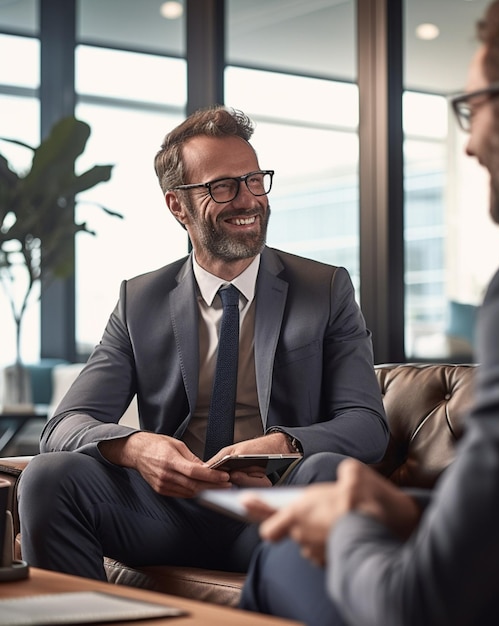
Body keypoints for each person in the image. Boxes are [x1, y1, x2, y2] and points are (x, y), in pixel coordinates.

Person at [238, 0, 499, 624]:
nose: (470, 144)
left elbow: (422, 604)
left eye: (471, 110)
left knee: (282, 558)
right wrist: (411, 511)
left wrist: (341, 528)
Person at [16, 106, 389, 580]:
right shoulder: (140, 299)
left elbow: (367, 426)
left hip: (274, 508)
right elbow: (64, 427)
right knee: (50, 478)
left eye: (255, 180)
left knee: (331, 473)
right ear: (177, 206)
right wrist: (136, 448)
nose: (248, 199)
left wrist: (285, 444)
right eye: (222, 187)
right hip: (168, 513)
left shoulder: (325, 288)